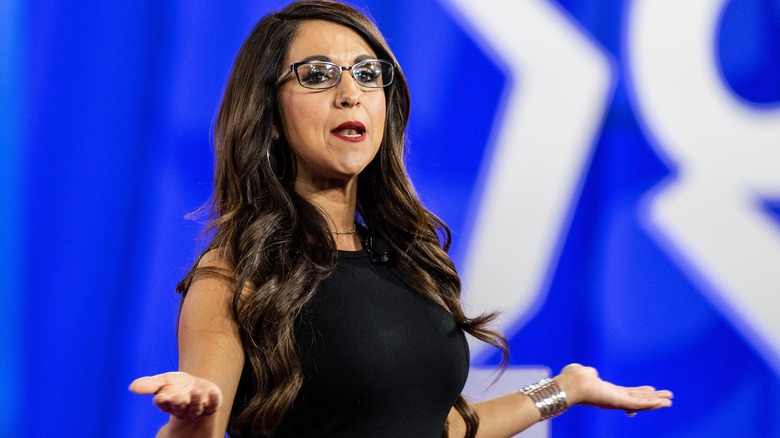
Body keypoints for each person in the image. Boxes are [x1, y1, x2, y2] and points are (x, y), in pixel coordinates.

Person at [130, 1, 673, 437]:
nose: (351, 94)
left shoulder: (405, 260)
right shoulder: (235, 275)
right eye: (318, 75)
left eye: (369, 75)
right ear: (269, 115)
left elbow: (433, 426)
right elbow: (205, 417)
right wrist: (192, 419)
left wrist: (564, 390)